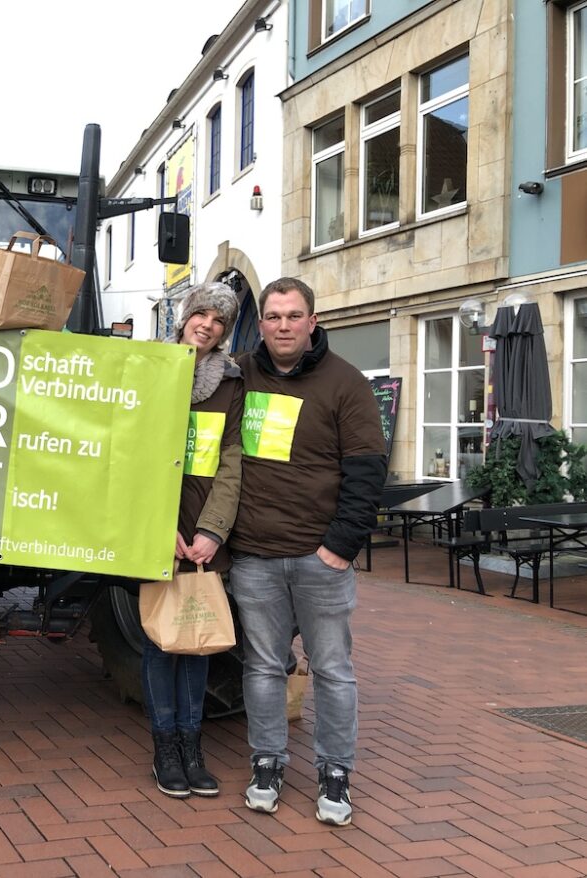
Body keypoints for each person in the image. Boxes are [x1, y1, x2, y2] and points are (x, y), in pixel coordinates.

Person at [229, 277, 386, 826]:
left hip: (321, 559)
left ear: (312, 321)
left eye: (294, 316)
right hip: (254, 556)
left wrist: (339, 548)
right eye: (273, 317)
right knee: (264, 668)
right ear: (262, 323)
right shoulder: (239, 375)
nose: (283, 326)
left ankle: (335, 771)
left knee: (334, 671)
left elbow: (367, 474)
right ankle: (267, 761)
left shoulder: (346, 383)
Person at [143, 282, 243, 799]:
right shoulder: (150, 368)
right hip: (156, 528)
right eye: (200, 313)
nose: (207, 323)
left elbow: (231, 462)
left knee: (198, 643)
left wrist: (212, 530)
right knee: (161, 643)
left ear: (226, 331)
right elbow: (132, 449)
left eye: (218, 318)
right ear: (184, 318)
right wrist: (160, 524)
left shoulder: (231, 383)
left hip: (205, 534)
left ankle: (192, 745)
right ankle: (165, 747)